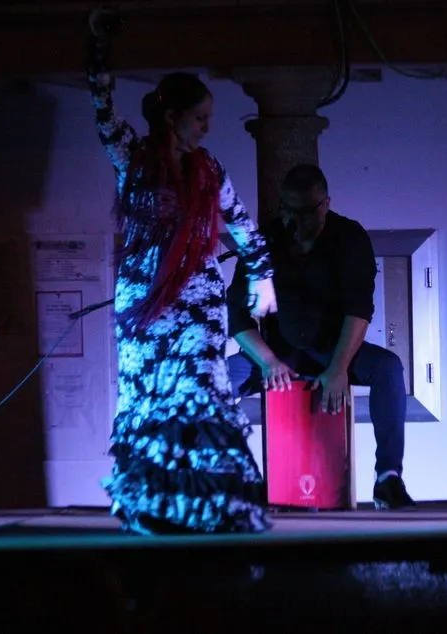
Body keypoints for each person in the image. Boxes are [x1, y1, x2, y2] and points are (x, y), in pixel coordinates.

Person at [87, 9, 278, 535]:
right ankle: (157, 508)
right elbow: (102, 106)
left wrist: (262, 274)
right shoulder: (132, 155)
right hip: (145, 304)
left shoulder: (208, 168)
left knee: (198, 393)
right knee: (150, 399)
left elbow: (241, 223)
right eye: (200, 118)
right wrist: (99, 49)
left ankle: (211, 507)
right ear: (172, 118)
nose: (207, 128)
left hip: (197, 303)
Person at [225, 164, 415, 510]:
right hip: (278, 352)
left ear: (326, 204)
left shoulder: (349, 238)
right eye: (288, 211)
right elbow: (236, 313)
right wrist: (267, 361)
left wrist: (339, 367)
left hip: (334, 349)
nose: (296, 222)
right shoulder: (265, 241)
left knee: (388, 368)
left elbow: (359, 308)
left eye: (306, 213)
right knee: (213, 381)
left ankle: (388, 478)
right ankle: (230, 483)